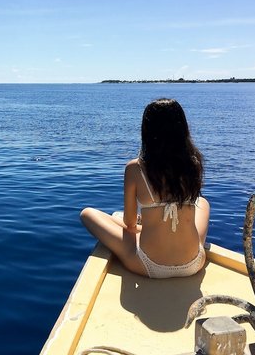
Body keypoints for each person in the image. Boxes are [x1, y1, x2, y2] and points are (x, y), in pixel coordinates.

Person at [80, 98, 210, 278]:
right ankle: (156, 228)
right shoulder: (194, 164)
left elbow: (130, 223)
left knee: (87, 214)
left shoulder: (135, 168)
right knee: (202, 203)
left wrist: (142, 224)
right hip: (194, 263)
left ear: (147, 131)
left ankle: (151, 227)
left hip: (149, 265)